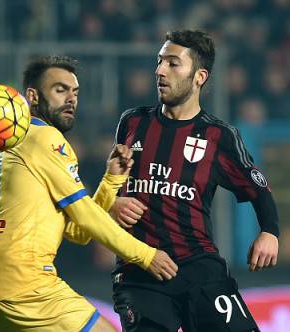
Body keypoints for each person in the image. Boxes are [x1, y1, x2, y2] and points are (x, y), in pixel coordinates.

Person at [0, 55, 178, 332]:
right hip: (23, 283)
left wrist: (111, 181)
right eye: (60, 89)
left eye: (75, 92)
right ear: (33, 96)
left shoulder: (14, 147)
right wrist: (146, 256)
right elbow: (85, 215)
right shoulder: (45, 138)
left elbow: (78, 232)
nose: (71, 99)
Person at [110, 30, 279, 332]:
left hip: (199, 267)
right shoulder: (133, 122)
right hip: (140, 273)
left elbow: (259, 189)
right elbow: (110, 184)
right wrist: (112, 201)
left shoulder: (219, 136)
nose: (160, 71)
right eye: (160, 61)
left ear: (200, 76)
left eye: (173, 64)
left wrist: (269, 232)